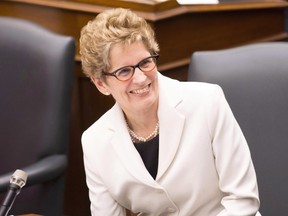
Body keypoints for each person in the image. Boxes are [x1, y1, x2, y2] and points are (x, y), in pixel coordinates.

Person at [79, 8, 261, 216]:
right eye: (124, 71)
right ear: (101, 84)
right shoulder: (94, 142)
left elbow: (243, 200)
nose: (140, 78)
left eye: (145, 63)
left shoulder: (208, 102)